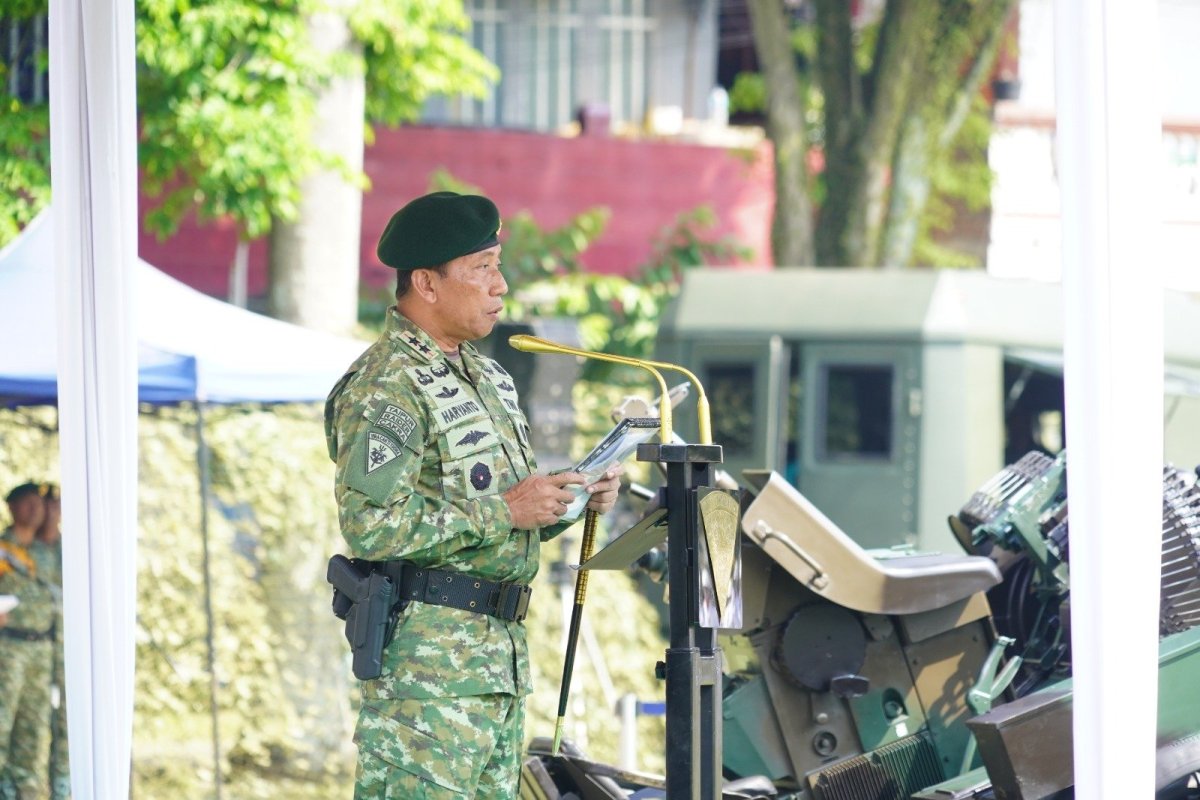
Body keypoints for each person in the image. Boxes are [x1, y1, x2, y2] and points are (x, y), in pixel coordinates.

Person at [325, 191, 623, 799]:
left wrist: (570, 498)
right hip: (427, 681)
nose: (500, 285)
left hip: (497, 669)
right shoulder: (388, 386)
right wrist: (506, 510)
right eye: (482, 267)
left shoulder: (487, 377)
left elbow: (506, 519)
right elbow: (371, 526)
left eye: (498, 265)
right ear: (426, 283)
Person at [0, 482, 56, 800]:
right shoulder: (3, 548)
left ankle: (27, 789)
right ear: (12, 506)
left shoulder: (45, 552)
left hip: (41, 648)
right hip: (8, 647)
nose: (36, 510)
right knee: (2, 719)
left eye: (39, 504)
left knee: (34, 725)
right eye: (28, 503)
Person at [32, 485, 68, 800]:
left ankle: (64, 789)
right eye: (48, 506)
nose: (51, 512)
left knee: (69, 725)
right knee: (30, 725)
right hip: (32, 649)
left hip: (67, 651)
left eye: (57, 506)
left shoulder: (72, 550)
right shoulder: (22, 548)